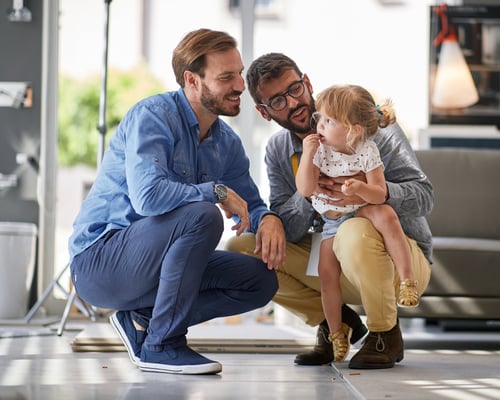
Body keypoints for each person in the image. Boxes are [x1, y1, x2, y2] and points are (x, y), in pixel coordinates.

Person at [67, 29, 285, 375]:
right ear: (192, 80)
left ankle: (144, 320)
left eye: (239, 74)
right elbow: (148, 197)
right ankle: (161, 345)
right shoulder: (153, 117)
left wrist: (268, 218)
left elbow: (251, 203)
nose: (240, 86)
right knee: (203, 215)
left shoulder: (225, 143)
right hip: (100, 262)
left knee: (260, 282)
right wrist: (216, 192)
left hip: (154, 268)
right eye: (226, 77)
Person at [226, 53, 433, 369]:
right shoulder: (279, 150)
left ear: (307, 83)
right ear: (264, 112)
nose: (294, 102)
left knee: (355, 231)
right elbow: (290, 230)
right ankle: (336, 323)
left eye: (295, 89)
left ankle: (385, 334)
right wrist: (308, 193)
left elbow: (424, 197)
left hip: (398, 253)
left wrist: (371, 190)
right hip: (333, 252)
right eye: (278, 101)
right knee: (243, 250)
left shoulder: (368, 126)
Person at [295, 84, 420, 362]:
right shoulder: (319, 150)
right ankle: (336, 333)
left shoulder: (367, 151)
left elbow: (378, 192)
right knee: (327, 276)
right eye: (320, 118)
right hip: (331, 223)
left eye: (329, 120)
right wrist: (306, 155)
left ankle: (407, 281)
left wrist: (358, 190)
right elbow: (305, 188)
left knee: (386, 214)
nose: (320, 125)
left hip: (362, 212)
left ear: (353, 130)